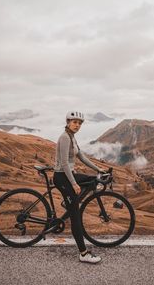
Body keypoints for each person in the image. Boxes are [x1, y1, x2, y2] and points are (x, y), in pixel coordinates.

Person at [53, 111, 106, 264]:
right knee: (75, 215)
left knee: (92, 179)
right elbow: (64, 164)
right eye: (75, 122)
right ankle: (83, 253)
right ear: (68, 122)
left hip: (69, 175)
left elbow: (81, 156)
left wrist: (98, 169)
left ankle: (70, 201)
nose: (77, 125)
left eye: (80, 123)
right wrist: (74, 184)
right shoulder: (64, 137)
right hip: (62, 177)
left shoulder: (72, 136)